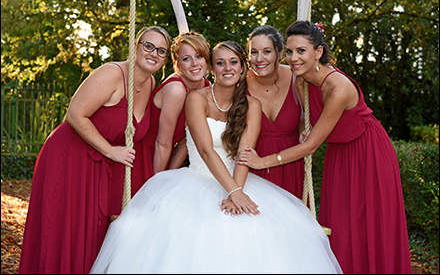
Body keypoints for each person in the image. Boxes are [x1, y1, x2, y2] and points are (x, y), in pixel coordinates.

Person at [89, 41, 342, 274]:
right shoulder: (195, 99)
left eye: (233, 62)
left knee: (265, 232)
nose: (227, 68)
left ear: (243, 69)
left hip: (238, 179)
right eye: (220, 63)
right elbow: (206, 150)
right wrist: (233, 192)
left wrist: (238, 190)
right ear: (212, 69)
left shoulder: (252, 106)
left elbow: (245, 153)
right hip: (197, 180)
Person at [237, 20, 412, 274]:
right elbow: (308, 124)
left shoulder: (337, 86)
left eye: (301, 51)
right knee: (340, 227)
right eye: (290, 51)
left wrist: (262, 161)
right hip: (339, 153)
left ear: (318, 52)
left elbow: (310, 147)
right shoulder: (302, 81)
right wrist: (306, 129)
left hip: (368, 152)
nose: (294, 58)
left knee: (370, 225)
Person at [18, 26, 172, 274]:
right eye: (148, 46)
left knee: (93, 234)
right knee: (66, 232)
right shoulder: (112, 74)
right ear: (136, 45)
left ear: (166, 59)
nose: (153, 53)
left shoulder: (152, 83)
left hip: (101, 167)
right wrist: (111, 151)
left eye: (161, 51)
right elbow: (75, 114)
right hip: (71, 158)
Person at [131, 31, 211, 194]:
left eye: (199, 56)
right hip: (144, 155)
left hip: (165, 158)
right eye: (186, 59)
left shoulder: (206, 87)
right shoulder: (176, 89)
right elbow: (162, 143)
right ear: (177, 64)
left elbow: (188, 141)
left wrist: (170, 176)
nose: (194, 64)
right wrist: (156, 185)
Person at [245, 25, 305, 199]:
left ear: (280, 54)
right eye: (254, 52)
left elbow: (303, 120)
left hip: (291, 165)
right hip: (252, 168)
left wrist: (303, 134)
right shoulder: (239, 83)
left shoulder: (298, 79)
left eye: (266, 51)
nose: (259, 58)